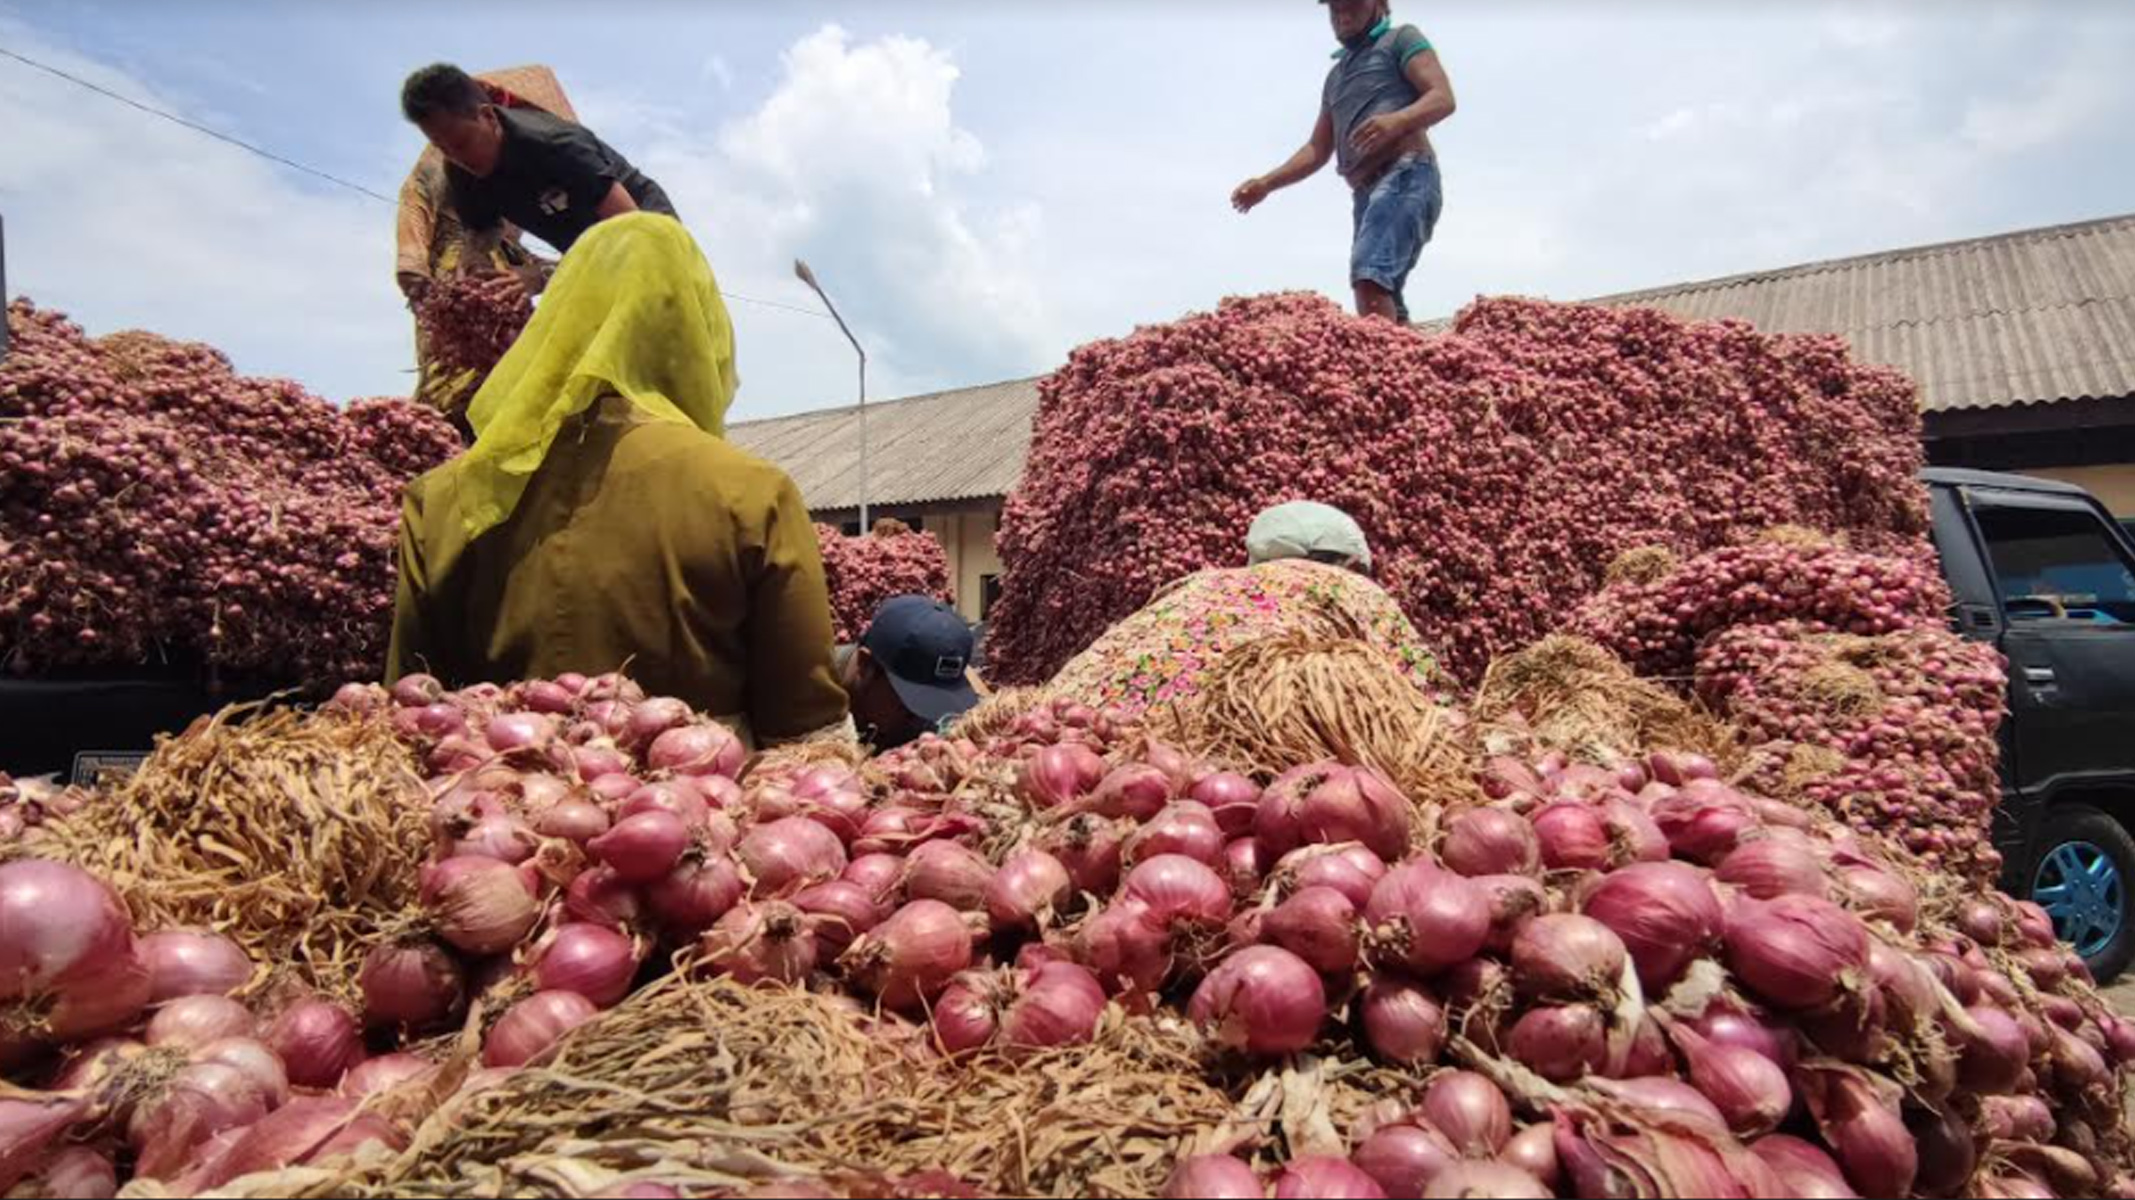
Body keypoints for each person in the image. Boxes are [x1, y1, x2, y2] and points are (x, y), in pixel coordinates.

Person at [386, 212, 850, 749]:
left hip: (485, 818)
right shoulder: (751, 494)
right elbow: (805, 732)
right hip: (702, 822)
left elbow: (410, 713)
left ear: (559, 322)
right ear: (699, 334)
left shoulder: (442, 500)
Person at [1046, 501, 1447, 718]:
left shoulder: (1195, 583)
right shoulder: (1351, 588)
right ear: (1351, 562)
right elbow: (1426, 695)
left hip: (1063, 729)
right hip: (1205, 749)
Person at [1231, 0, 1456, 324]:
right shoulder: (1337, 76)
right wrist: (1267, 182)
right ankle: (1404, 356)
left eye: (1352, 5)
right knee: (1382, 291)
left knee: (1369, 276)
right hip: (1366, 192)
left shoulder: (1401, 40)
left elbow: (1442, 97)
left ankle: (1383, 366)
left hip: (1405, 173)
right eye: (1335, 9)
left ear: (1378, 4)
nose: (1342, 15)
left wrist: (1397, 121)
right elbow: (1317, 149)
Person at [399, 63, 677, 295]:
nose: (458, 157)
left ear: (488, 116)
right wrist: (471, 265)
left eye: (462, 142)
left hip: (648, 233)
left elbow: (635, 235)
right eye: (442, 147)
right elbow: (482, 231)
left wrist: (541, 276)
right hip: (582, 255)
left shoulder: (557, 146)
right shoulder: (460, 169)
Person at [837, 596, 982, 751]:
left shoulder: (908, 718)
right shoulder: (811, 703)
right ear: (865, 666)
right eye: (912, 700)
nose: (923, 715)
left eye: (937, 701)